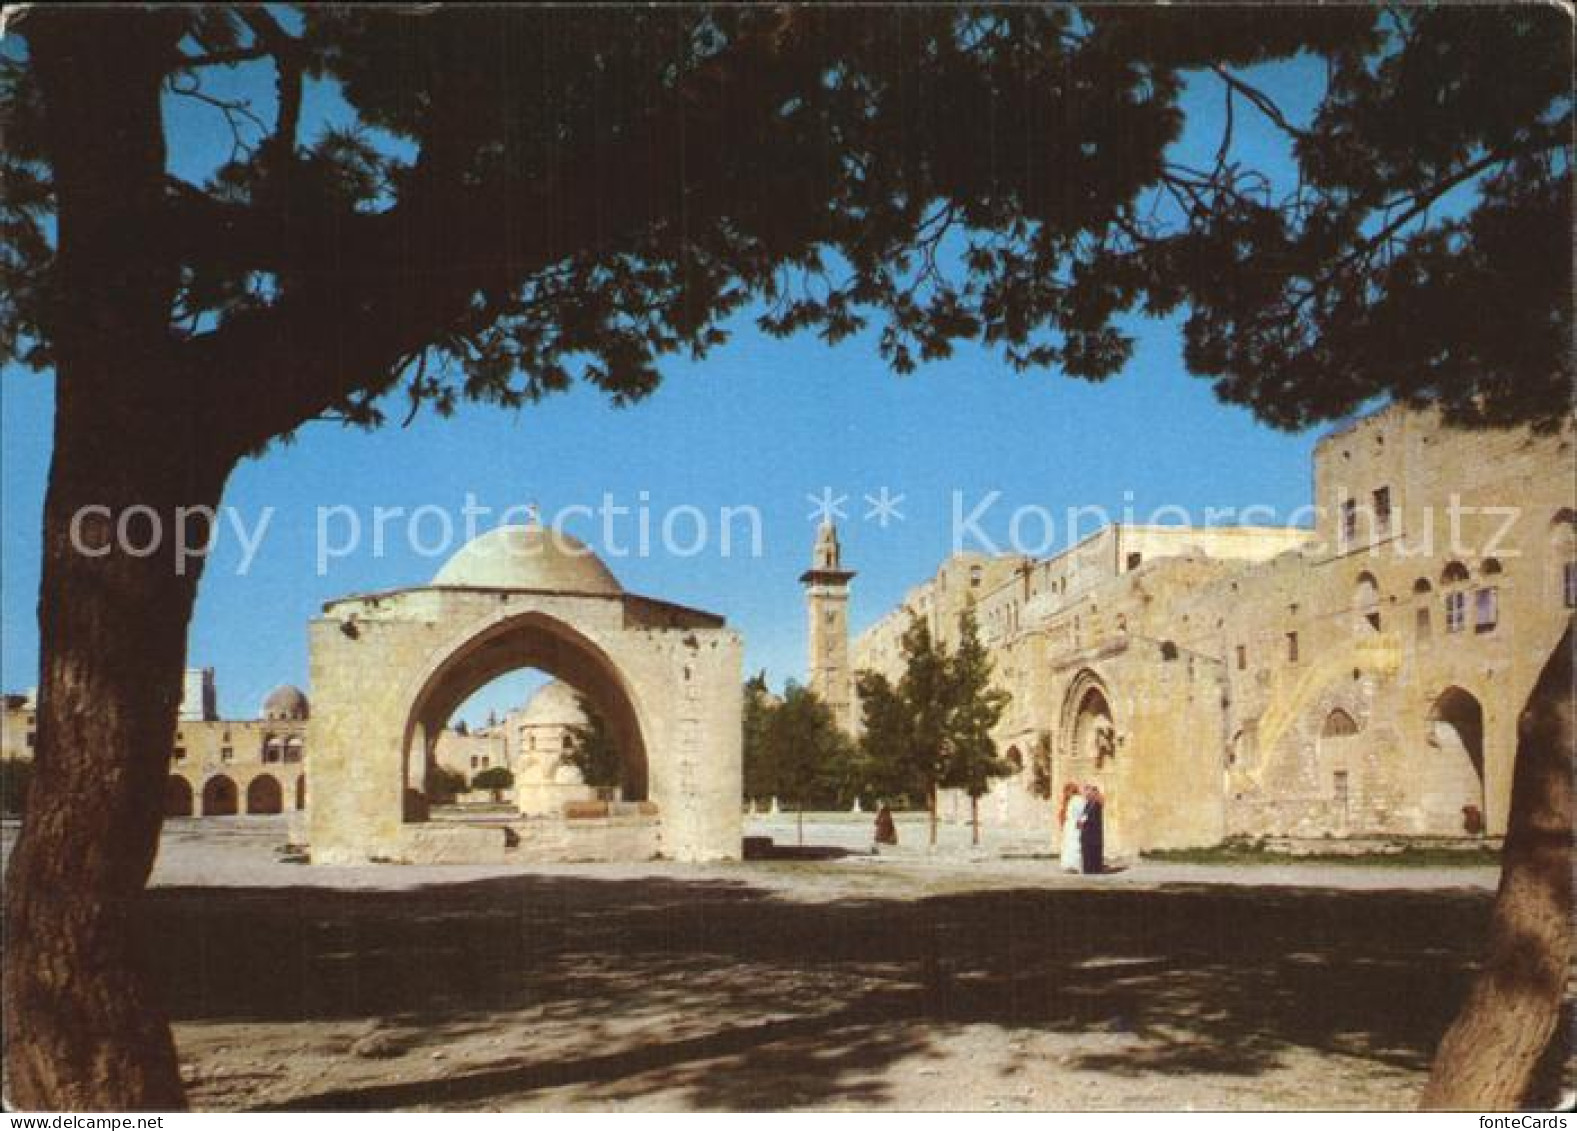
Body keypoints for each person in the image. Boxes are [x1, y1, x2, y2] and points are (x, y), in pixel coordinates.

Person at [1058, 781, 1084, 873]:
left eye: (1067, 791)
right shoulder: (1070, 800)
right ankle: (1069, 865)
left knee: (1075, 845)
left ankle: (1076, 865)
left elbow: (1082, 813)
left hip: (1074, 825)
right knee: (1068, 845)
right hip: (1069, 826)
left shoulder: (1077, 799)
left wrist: (1080, 822)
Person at [1080, 785, 1105, 875]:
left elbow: (1094, 819)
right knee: (1087, 850)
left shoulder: (1097, 805)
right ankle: (1088, 868)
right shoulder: (1088, 804)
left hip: (1093, 832)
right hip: (1087, 831)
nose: (1087, 795)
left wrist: (1084, 822)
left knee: (1093, 850)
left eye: (1089, 793)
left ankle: (1094, 869)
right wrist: (1080, 821)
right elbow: (1084, 815)